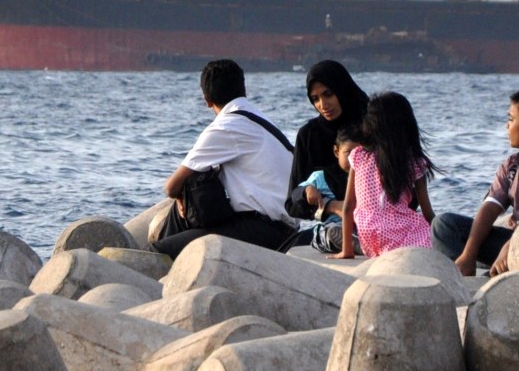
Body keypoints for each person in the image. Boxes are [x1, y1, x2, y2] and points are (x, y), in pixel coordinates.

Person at [152, 59, 297, 259]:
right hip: (284, 227)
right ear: (243, 90)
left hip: (263, 230)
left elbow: (171, 187)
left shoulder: (226, 126)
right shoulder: (259, 120)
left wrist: (179, 196)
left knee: (159, 252)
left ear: (207, 99)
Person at [432, 87, 519, 276]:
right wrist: (468, 254)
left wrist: (509, 249)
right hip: (512, 240)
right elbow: (490, 207)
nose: (507, 126)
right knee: (444, 225)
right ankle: (461, 275)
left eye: (511, 119)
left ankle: (495, 276)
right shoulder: (512, 165)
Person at [337, 91, 437, 259]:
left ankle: (352, 245)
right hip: (399, 233)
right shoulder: (413, 161)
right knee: (438, 240)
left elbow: (348, 206)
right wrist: (442, 232)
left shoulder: (358, 155)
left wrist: (346, 251)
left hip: (368, 235)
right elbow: (428, 214)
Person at [283, 60, 370, 252]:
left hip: (378, 220)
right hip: (332, 225)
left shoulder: (372, 125)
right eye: (315, 99)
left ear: (342, 89)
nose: (323, 105)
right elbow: (292, 203)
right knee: (287, 249)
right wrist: (331, 206)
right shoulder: (308, 135)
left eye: (328, 94)